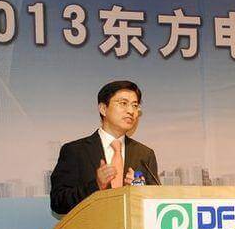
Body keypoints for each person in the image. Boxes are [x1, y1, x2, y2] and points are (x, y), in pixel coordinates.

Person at [50, 80, 158, 215]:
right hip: (92, 227)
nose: (131, 111)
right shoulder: (75, 151)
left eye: (135, 105)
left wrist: (141, 192)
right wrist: (96, 185)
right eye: (123, 103)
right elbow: (58, 202)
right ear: (103, 109)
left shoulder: (145, 154)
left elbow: (157, 203)